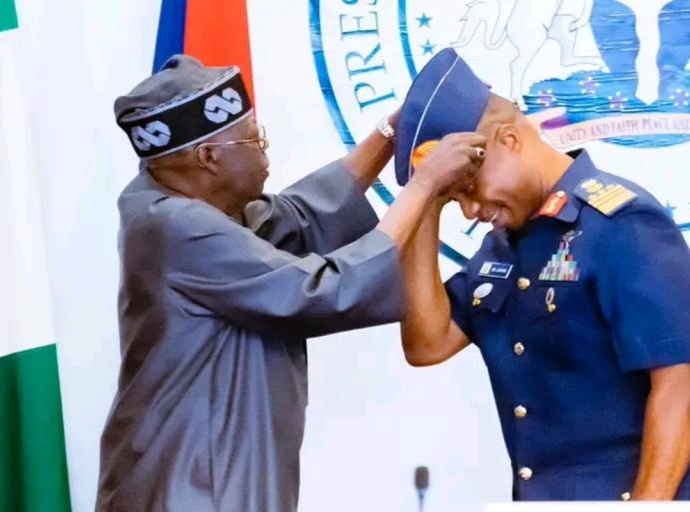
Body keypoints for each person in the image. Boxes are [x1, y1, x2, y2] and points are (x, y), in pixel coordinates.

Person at [97, 54, 485, 512]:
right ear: (208, 157)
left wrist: (392, 131)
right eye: (253, 138)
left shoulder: (186, 206)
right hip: (193, 488)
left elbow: (298, 217)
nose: (264, 150)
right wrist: (423, 187)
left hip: (208, 478)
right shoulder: (176, 227)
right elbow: (321, 290)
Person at [396, 48, 690, 501]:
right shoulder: (504, 248)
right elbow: (428, 343)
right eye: (454, 198)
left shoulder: (621, 222)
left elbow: (680, 383)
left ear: (509, 140)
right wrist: (425, 197)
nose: (469, 210)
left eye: (468, 189)